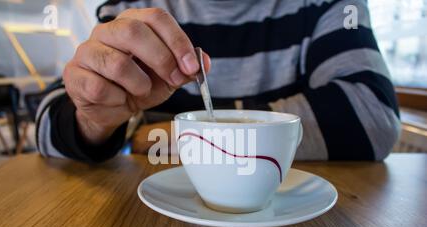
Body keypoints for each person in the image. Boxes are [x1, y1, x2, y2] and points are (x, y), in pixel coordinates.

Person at [36, 0, 400, 162]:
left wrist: (164, 134)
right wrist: (94, 120)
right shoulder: (132, 10)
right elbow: (47, 124)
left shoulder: (326, 4)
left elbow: (372, 118)